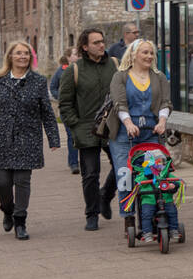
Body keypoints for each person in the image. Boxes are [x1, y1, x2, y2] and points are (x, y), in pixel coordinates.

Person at [0, 40, 60, 241]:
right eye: (19, 53)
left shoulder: (38, 81)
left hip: (28, 138)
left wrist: (53, 138)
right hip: (1, 138)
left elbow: (47, 113)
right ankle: (7, 209)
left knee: (22, 181)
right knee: (2, 183)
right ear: (10, 57)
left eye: (27, 54)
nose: (23, 57)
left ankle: (20, 221)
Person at [107, 39, 173, 236]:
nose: (149, 57)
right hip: (124, 134)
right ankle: (128, 218)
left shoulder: (159, 77)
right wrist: (128, 124)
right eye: (145, 52)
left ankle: (152, 216)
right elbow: (119, 103)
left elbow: (166, 102)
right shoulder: (120, 77)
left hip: (151, 133)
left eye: (152, 53)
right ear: (134, 54)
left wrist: (162, 121)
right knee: (125, 175)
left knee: (154, 173)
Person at [59, 29, 121, 231]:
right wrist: (75, 125)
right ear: (85, 47)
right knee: (90, 173)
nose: (101, 45)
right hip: (86, 127)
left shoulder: (114, 64)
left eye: (102, 41)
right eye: (96, 43)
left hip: (112, 126)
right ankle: (92, 214)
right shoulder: (74, 70)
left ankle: (106, 195)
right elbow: (65, 103)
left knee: (122, 167)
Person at [48, 51, 79, 174]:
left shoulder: (82, 68)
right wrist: (60, 97)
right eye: (75, 54)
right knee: (72, 136)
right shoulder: (61, 71)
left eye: (78, 54)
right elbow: (52, 87)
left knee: (82, 137)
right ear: (68, 57)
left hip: (82, 109)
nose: (77, 56)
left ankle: (85, 162)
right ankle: (73, 163)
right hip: (67, 109)